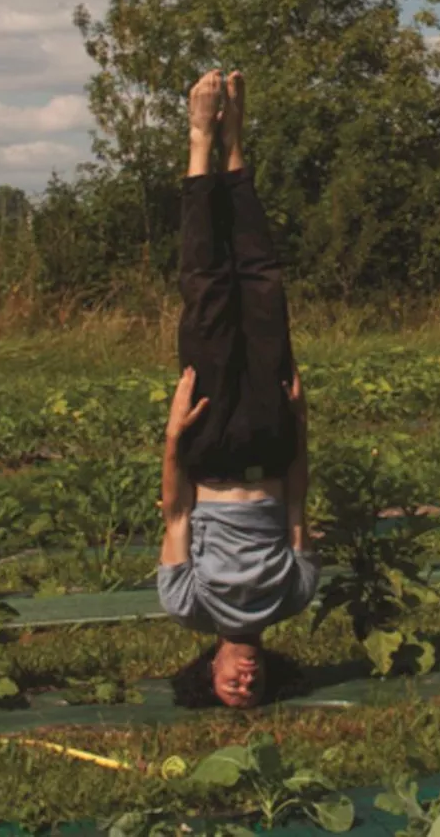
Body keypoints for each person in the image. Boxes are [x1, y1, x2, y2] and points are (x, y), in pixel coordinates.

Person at [158, 68, 319, 708]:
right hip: (273, 440)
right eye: (252, 692)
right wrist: (301, 423)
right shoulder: (294, 597)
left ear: (210, 673)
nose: (243, 685)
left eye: (230, 691)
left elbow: (174, 512)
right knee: (261, 287)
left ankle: (201, 140)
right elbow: (300, 506)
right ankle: (235, 146)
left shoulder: (187, 605)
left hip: (213, 447)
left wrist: (174, 432)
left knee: (207, 292)